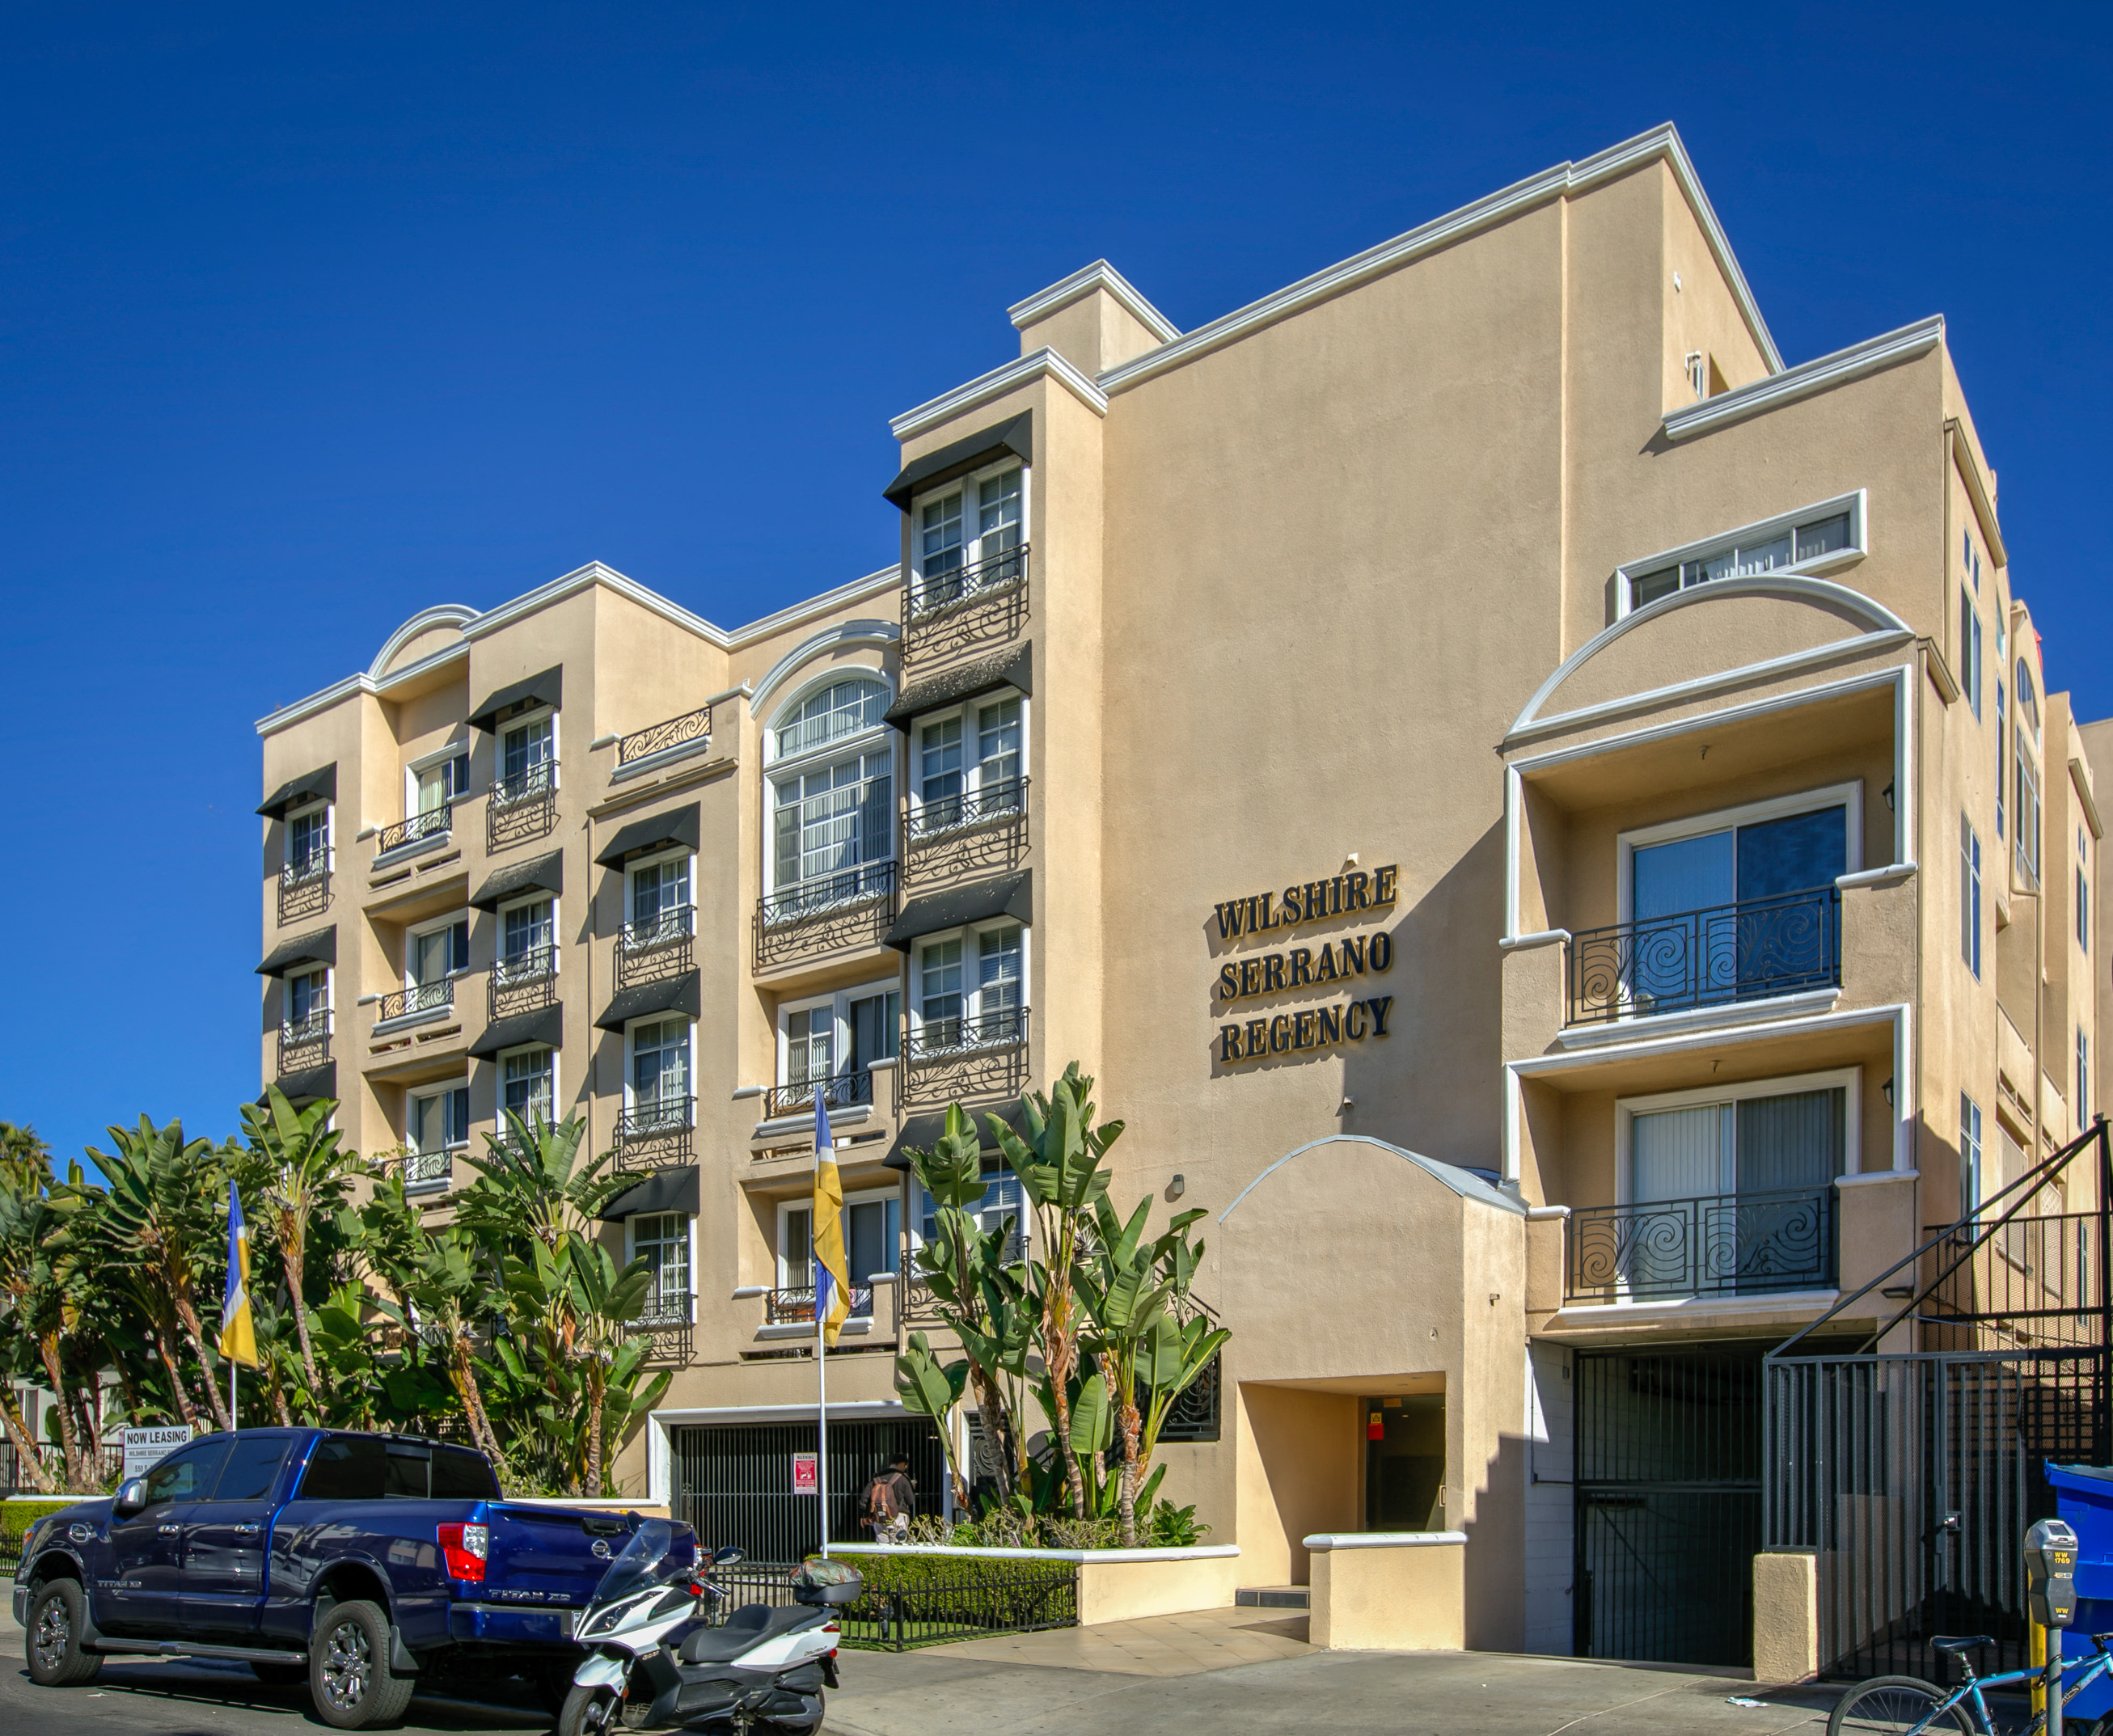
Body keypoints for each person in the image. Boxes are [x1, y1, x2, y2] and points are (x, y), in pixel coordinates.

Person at [857, 1455, 915, 1544]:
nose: (905, 1467)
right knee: (898, 1546)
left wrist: (865, 1514)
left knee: (882, 1547)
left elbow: (864, 1499)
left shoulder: (876, 1478)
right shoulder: (903, 1478)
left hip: (880, 1517)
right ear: (902, 1464)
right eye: (905, 1465)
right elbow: (910, 1500)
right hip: (899, 1516)